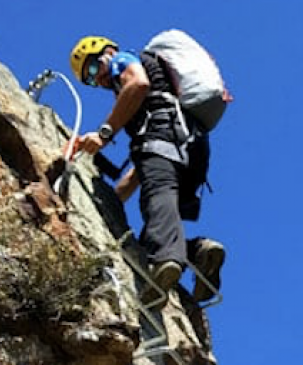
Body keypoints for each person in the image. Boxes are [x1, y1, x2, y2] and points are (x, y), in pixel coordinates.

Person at [69, 35, 232, 308]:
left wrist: (104, 134)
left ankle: (168, 263)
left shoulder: (125, 61)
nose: (98, 80)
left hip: (165, 137)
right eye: (89, 81)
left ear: (108, 52)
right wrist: (111, 202)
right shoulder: (156, 100)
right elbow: (144, 170)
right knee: (152, 232)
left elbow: (138, 83)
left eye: (95, 69)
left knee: (155, 202)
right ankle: (199, 252)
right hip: (192, 150)